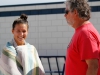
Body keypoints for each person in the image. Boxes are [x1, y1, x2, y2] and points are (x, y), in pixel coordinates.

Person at [64, 0, 100, 75]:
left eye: (66, 12)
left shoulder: (86, 33)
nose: (65, 15)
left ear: (75, 12)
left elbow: (93, 66)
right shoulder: (81, 31)